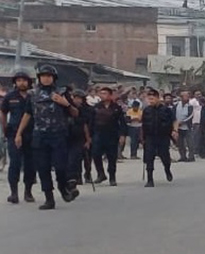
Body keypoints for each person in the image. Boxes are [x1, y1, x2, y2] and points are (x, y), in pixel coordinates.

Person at [15, 65, 80, 210]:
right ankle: (49, 198)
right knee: (43, 168)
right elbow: (27, 114)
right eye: (43, 76)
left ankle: (64, 189)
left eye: (49, 76)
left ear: (54, 78)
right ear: (39, 78)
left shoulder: (62, 92)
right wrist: (19, 133)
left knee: (60, 167)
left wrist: (65, 103)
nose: (46, 78)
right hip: (40, 136)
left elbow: (75, 113)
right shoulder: (32, 94)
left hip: (59, 135)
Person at [2, 70, 35, 204]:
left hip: (32, 133)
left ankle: (28, 192)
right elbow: (3, 112)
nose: (21, 83)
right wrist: (5, 128)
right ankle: (14, 193)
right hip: (13, 133)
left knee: (30, 164)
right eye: (19, 80)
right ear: (15, 82)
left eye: (24, 80)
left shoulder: (34, 96)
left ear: (29, 82)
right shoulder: (10, 96)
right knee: (14, 163)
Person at [90, 87, 127, 186]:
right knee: (96, 154)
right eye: (101, 93)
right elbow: (91, 122)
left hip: (112, 135)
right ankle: (101, 174)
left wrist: (122, 135)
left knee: (112, 157)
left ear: (110, 95)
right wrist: (89, 136)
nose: (102, 95)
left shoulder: (116, 107)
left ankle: (112, 177)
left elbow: (122, 122)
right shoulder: (96, 107)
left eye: (105, 93)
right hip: (98, 134)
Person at [140, 89, 176, 187]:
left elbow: (174, 121)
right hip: (150, 137)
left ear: (158, 98)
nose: (150, 100)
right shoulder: (146, 110)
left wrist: (174, 131)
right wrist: (142, 138)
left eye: (152, 98)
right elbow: (143, 124)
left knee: (165, 157)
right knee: (149, 158)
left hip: (163, 137)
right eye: (149, 98)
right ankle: (150, 179)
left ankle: (167, 170)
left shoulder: (166, 110)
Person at [174, 90, 194, 162]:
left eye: (188, 96)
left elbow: (191, 116)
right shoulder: (176, 105)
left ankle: (191, 156)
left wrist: (183, 122)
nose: (187, 98)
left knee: (190, 142)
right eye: (185, 96)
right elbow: (173, 115)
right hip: (178, 127)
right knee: (180, 143)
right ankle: (182, 156)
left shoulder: (190, 106)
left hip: (187, 127)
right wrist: (176, 123)